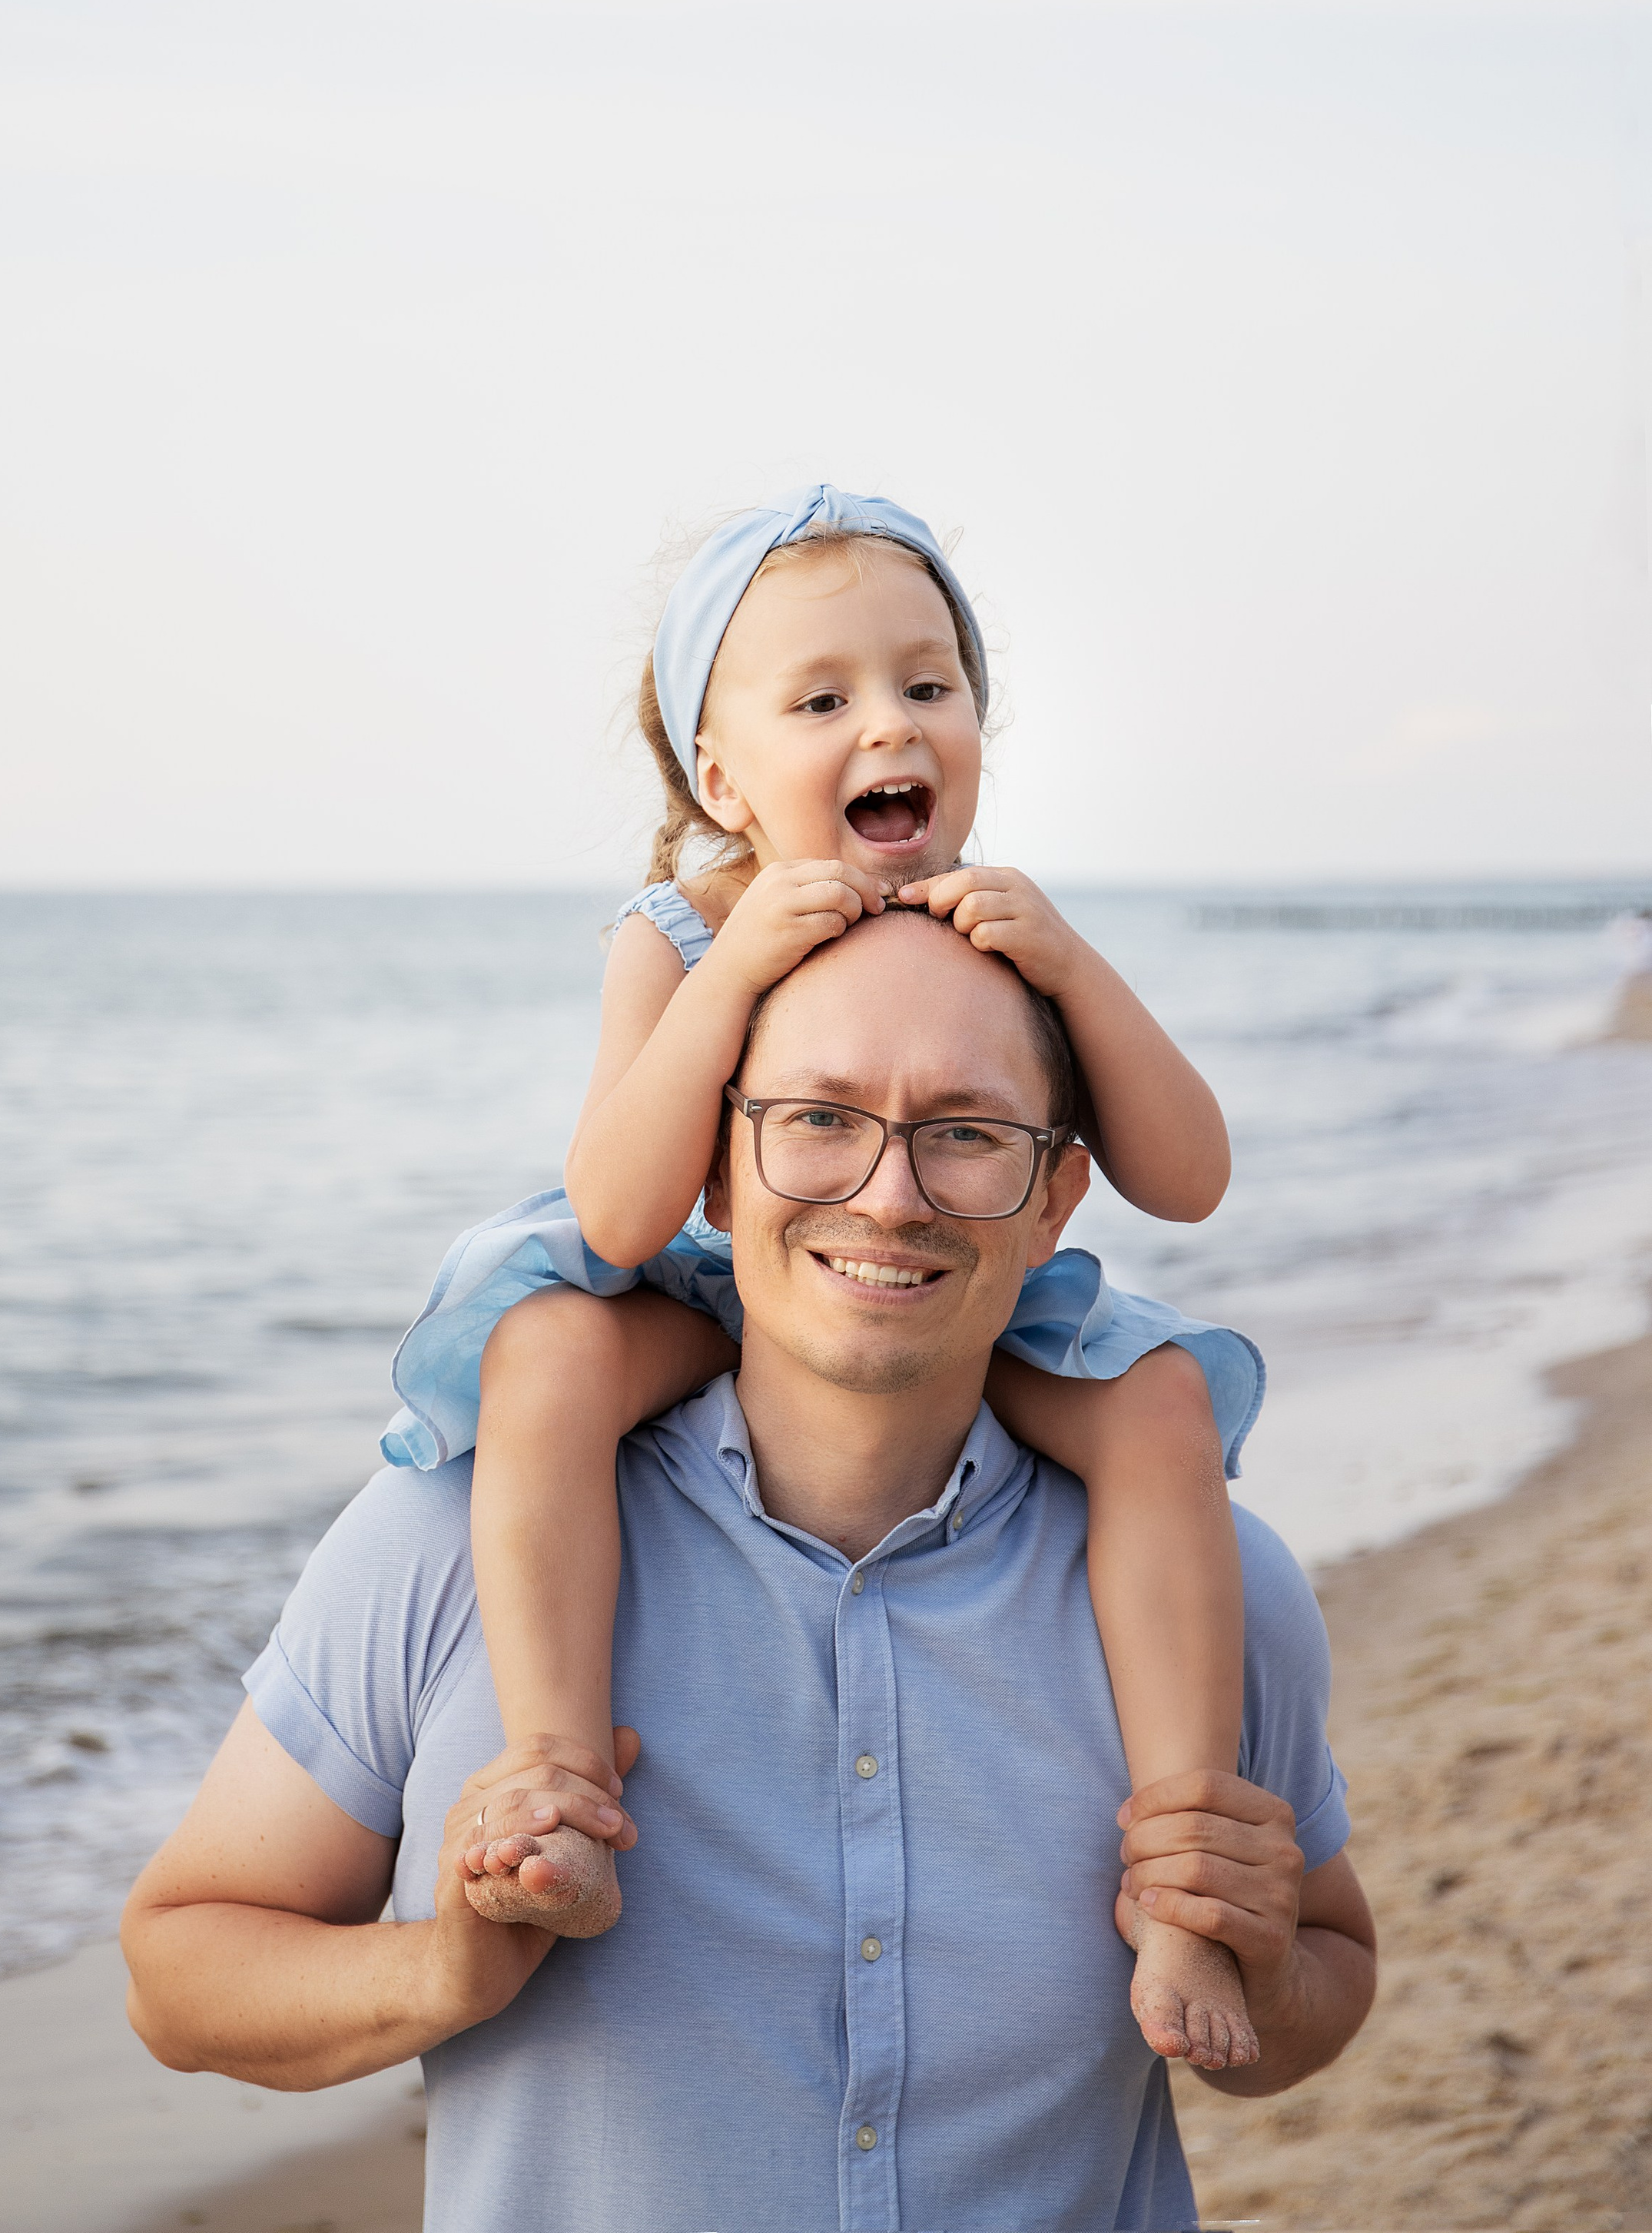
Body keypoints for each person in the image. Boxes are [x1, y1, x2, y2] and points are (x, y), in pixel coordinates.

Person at [123, 912, 1375, 2233]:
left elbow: (1327, 1976)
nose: (889, 1197)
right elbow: (179, 1975)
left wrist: (1266, 1960)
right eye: (820, 1119)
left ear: (1056, 1197)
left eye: (966, 1132)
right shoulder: (447, 1544)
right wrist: (444, 1972)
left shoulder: (1210, 1589)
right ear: (717, 1171)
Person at [385, 485, 1266, 2066]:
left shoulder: (993, 925)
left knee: (1159, 1404)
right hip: (716, 1268)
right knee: (545, 1359)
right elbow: (615, 1209)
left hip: (916, 1273)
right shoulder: (680, 926)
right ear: (719, 774)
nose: (889, 725)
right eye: (821, 699)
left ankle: (1183, 1864)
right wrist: (728, 973)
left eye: (927, 685)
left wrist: (1064, 961)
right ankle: (556, 1774)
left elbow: (1186, 1181)